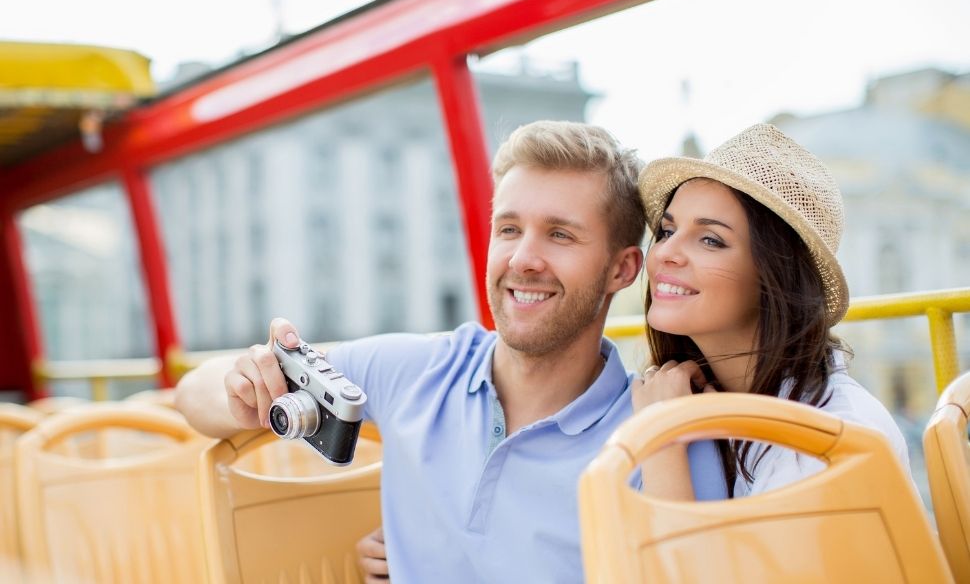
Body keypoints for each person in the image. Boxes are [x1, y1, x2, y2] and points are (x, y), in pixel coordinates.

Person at [175, 120, 727, 583]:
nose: (523, 259)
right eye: (508, 229)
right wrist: (246, 385)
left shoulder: (662, 438)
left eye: (560, 235)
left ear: (622, 269)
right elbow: (193, 396)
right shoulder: (417, 369)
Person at [631, 123, 911, 499]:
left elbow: (681, 561)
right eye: (666, 232)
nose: (664, 252)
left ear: (775, 277)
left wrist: (659, 435)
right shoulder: (708, 403)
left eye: (711, 240)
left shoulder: (826, 438)